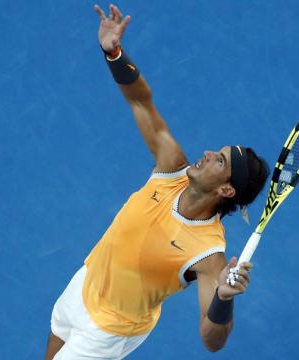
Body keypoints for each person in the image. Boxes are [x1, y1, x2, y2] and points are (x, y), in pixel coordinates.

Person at [44, 4, 270, 359]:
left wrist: (223, 301)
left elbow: (212, 340)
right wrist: (114, 53)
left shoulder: (208, 254)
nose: (209, 153)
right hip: (84, 285)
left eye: (220, 160)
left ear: (226, 190)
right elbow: (140, 101)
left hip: (110, 331)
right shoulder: (171, 169)